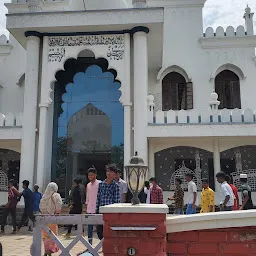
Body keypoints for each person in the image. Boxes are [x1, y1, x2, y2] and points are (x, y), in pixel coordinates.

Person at [96, 164, 120, 239]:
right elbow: (98, 198)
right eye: (107, 171)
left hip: (110, 213)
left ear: (115, 174)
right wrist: (96, 210)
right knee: (99, 231)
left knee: (109, 232)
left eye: (111, 172)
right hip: (101, 212)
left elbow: (117, 201)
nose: (109, 173)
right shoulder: (101, 184)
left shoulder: (115, 186)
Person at [39, 182, 62, 256]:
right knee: (53, 235)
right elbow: (59, 205)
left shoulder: (44, 196)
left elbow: (40, 207)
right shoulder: (56, 195)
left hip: (45, 219)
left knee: (46, 235)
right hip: (52, 218)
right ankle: (50, 250)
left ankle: (46, 250)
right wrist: (57, 213)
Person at [85, 167, 101, 245]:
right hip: (89, 209)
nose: (90, 177)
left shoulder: (100, 184)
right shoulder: (88, 185)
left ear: (95, 175)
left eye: (92, 175)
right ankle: (89, 243)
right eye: (89, 175)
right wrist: (86, 206)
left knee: (100, 228)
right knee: (89, 227)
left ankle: (102, 243)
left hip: (97, 208)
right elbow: (87, 197)